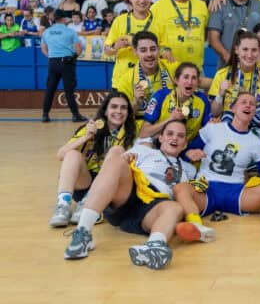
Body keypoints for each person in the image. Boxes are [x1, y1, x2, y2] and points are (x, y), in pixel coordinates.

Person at [63, 120, 196, 270]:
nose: (174, 138)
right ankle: (83, 232)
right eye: (170, 134)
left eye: (180, 136)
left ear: (185, 143)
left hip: (154, 208)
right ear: (161, 138)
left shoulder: (190, 169)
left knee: (175, 208)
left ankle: (154, 247)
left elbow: (191, 195)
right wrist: (126, 160)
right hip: (130, 193)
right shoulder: (144, 150)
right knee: (116, 160)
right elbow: (115, 164)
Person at [174, 93, 260, 238]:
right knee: (181, 188)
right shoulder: (212, 129)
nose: (248, 105)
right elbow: (185, 153)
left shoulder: (255, 141)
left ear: (254, 113)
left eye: (252, 104)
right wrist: (189, 154)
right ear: (233, 108)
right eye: (243, 102)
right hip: (206, 188)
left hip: (236, 192)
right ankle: (195, 225)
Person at [49, 92, 136, 227]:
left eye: (123, 108)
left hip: (110, 186)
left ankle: (89, 206)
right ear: (105, 111)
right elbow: (60, 155)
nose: (118, 111)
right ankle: (63, 205)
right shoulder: (91, 127)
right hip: (86, 181)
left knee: (116, 152)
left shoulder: (133, 132)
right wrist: (86, 137)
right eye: (114, 107)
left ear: (128, 112)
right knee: (72, 154)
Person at [114, 31, 178, 132]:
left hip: (170, 125)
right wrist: (136, 102)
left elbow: (197, 81)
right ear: (135, 52)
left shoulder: (172, 68)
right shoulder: (125, 80)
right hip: (141, 128)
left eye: (153, 49)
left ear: (158, 50)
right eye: (143, 50)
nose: (149, 54)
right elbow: (120, 117)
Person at [104, 0, 161, 85]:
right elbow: (106, 51)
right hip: (122, 81)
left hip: (152, 82)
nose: (142, 0)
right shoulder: (119, 21)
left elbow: (165, 51)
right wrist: (115, 47)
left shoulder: (160, 22)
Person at [208, 0, 260, 68]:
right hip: (227, 65)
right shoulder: (219, 5)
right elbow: (213, 38)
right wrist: (227, 56)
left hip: (255, 66)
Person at [150, 0, 209, 67]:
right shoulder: (157, 8)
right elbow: (149, 39)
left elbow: (205, 32)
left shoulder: (202, 6)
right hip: (167, 69)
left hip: (195, 70)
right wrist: (162, 51)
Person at [140, 62, 210, 140]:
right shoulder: (161, 96)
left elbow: (208, 132)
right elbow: (144, 133)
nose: (190, 82)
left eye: (194, 78)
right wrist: (170, 119)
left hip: (189, 149)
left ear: (197, 82)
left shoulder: (202, 100)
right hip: (161, 147)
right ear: (176, 80)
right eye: (186, 77)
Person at [41, 9, 87, 123]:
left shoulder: (46, 32)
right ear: (63, 19)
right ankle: (75, 115)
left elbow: (43, 49)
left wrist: (52, 57)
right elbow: (79, 49)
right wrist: (73, 57)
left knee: (50, 89)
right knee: (69, 90)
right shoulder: (70, 31)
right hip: (67, 62)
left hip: (53, 62)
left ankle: (45, 115)